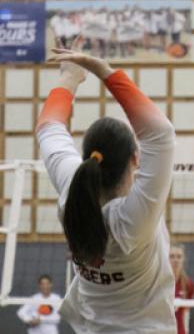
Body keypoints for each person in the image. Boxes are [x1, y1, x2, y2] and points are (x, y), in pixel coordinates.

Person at [36, 40, 176, 333]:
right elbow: (160, 134)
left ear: (88, 159)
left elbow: (49, 127)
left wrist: (70, 77)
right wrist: (101, 69)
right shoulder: (133, 219)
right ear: (135, 160)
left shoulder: (71, 194)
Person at [170, 243, 194, 334]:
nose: (175, 260)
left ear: (183, 259)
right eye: (172, 256)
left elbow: (186, 314)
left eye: (179, 257)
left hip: (179, 331)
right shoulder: (158, 283)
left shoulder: (188, 285)